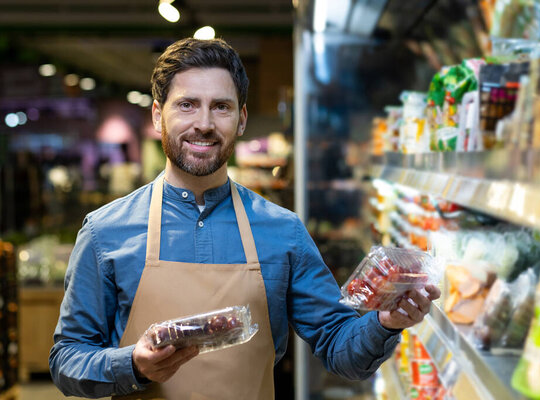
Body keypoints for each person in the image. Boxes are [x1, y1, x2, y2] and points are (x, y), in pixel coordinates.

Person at [49, 37, 441, 400]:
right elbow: (66, 360)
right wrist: (132, 364)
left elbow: (341, 350)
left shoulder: (282, 230)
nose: (204, 123)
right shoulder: (105, 231)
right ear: (157, 116)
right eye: (187, 104)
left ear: (241, 119)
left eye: (221, 106)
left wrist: (385, 323)